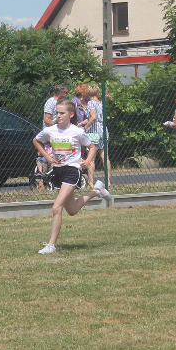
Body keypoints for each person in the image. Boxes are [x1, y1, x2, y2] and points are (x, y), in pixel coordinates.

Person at [32, 100, 110, 255]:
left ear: (71, 114)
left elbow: (92, 147)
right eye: (57, 112)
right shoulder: (51, 130)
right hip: (58, 171)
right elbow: (36, 140)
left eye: (62, 113)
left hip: (72, 171)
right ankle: (97, 192)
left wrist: (87, 161)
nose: (58, 115)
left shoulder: (77, 132)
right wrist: (48, 157)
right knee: (72, 209)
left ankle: (51, 245)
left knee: (56, 207)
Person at [38, 84, 71, 190]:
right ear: (60, 93)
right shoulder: (51, 102)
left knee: (60, 155)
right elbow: (46, 119)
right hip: (50, 134)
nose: (66, 94)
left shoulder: (60, 103)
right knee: (47, 158)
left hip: (58, 134)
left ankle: (58, 179)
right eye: (65, 92)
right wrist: (56, 125)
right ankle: (42, 181)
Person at [86, 83, 105, 183]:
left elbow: (93, 117)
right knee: (104, 155)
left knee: (91, 157)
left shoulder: (90, 103)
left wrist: (86, 127)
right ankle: (108, 181)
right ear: (97, 93)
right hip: (103, 130)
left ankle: (90, 182)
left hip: (94, 131)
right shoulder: (101, 103)